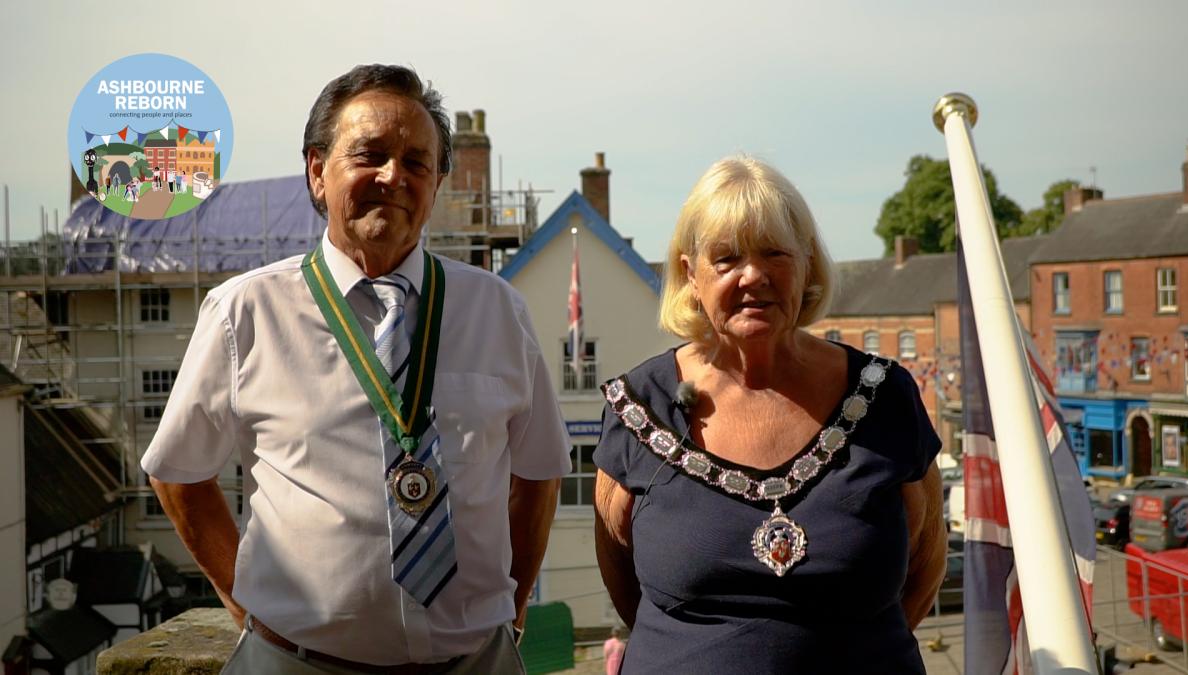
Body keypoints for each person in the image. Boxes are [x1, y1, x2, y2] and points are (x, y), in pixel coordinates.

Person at [143, 64, 570, 674]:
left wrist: (514, 612)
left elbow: (538, 476)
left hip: (476, 662)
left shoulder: (498, 309)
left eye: (417, 162)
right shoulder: (245, 312)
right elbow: (178, 475)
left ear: (438, 181)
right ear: (317, 170)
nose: (394, 176)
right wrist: (252, 610)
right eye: (370, 155)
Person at [593, 155, 946, 674]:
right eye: (727, 258)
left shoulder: (885, 396)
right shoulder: (638, 406)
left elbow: (926, 565)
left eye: (774, 253)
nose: (752, 274)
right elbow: (624, 581)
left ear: (806, 264)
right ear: (691, 274)